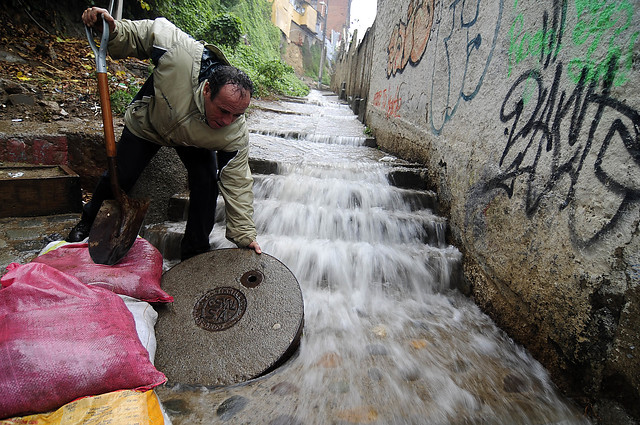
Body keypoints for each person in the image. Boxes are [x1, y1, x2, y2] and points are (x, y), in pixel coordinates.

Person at [67, 7, 262, 260]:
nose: (228, 121)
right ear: (207, 90)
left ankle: (195, 252)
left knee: (206, 184)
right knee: (120, 175)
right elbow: (145, 33)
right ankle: (88, 221)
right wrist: (114, 30)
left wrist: (245, 236)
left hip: (196, 140)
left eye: (236, 115)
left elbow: (237, 182)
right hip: (151, 123)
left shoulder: (233, 132)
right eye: (224, 111)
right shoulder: (180, 54)